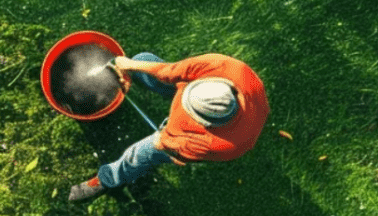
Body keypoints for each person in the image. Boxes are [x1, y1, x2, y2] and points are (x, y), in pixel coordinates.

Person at [68, 51, 270, 201]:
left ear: (206, 123)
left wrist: (165, 136)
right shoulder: (229, 69)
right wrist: (128, 65)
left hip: (175, 140)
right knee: (145, 59)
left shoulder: (219, 143)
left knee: (140, 153)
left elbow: (163, 144)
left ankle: (107, 179)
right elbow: (171, 71)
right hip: (199, 88)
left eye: (188, 107)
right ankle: (164, 85)